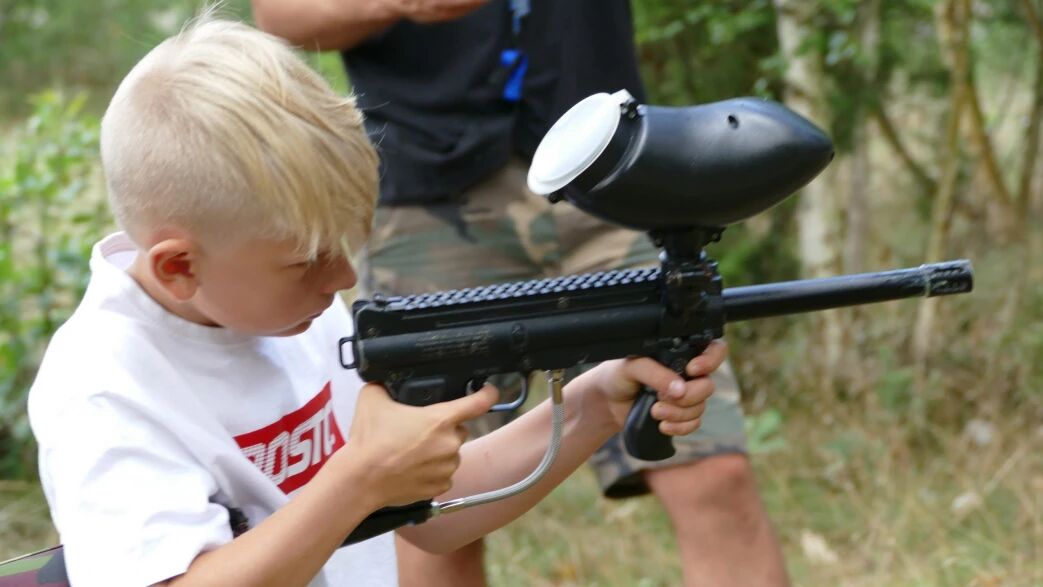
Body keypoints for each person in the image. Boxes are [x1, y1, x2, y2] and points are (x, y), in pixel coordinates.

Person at [26, 14, 728, 587]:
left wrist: (595, 401)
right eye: (305, 259)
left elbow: (432, 511)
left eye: (341, 246)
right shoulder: (105, 388)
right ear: (179, 266)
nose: (339, 278)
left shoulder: (286, 313)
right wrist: (358, 481)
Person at [251, 1, 790, 586]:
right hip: (428, 196)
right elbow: (281, 13)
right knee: (424, 504)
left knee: (710, 464)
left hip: (612, 168)